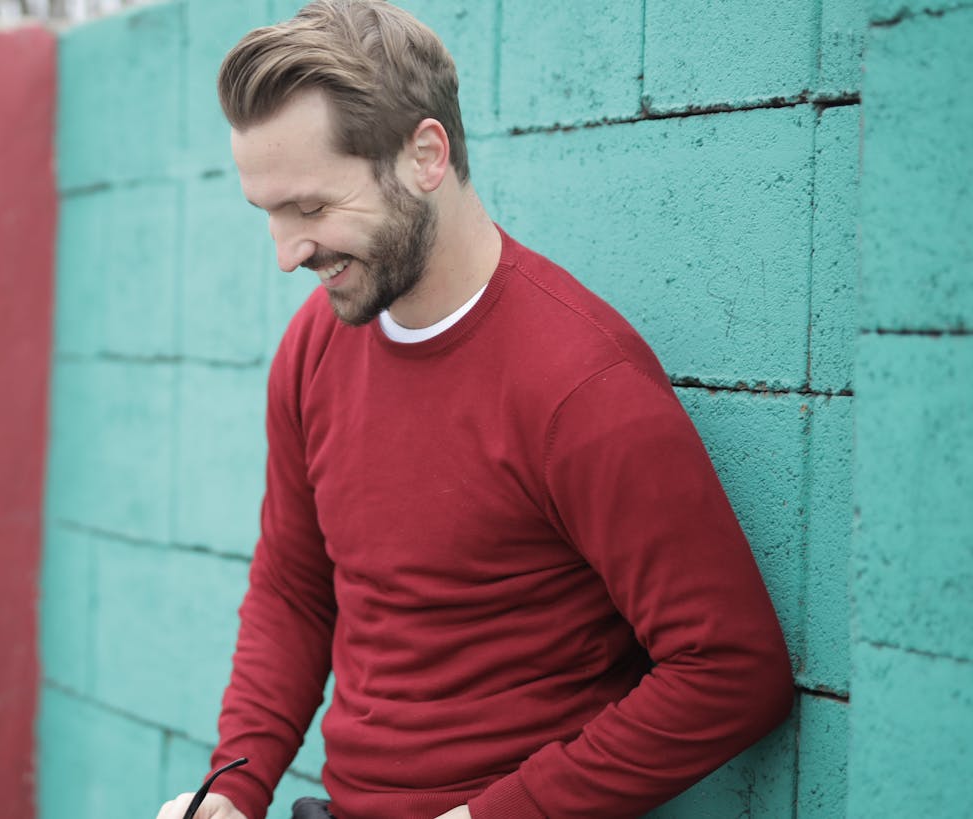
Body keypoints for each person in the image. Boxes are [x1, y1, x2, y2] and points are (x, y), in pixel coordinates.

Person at [156, 2, 794, 817]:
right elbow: (293, 590)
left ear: (425, 155)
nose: (287, 254)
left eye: (311, 209)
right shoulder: (314, 347)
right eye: (269, 214)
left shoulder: (580, 386)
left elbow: (732, 669)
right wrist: (235, 788)